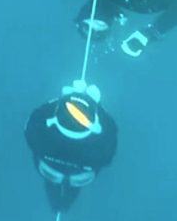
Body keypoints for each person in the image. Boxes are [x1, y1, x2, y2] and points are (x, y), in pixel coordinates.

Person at [25, 80, 118, 212]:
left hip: (50, 169)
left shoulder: (41, 130)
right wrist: (97, 105)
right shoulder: (100, 144)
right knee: (74, 185)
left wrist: (62, 99)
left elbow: (31, 127)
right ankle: (65, 204)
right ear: (93, 125)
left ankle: (56, 204)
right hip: (79, 174)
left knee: (52, 181)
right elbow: (110, 148)